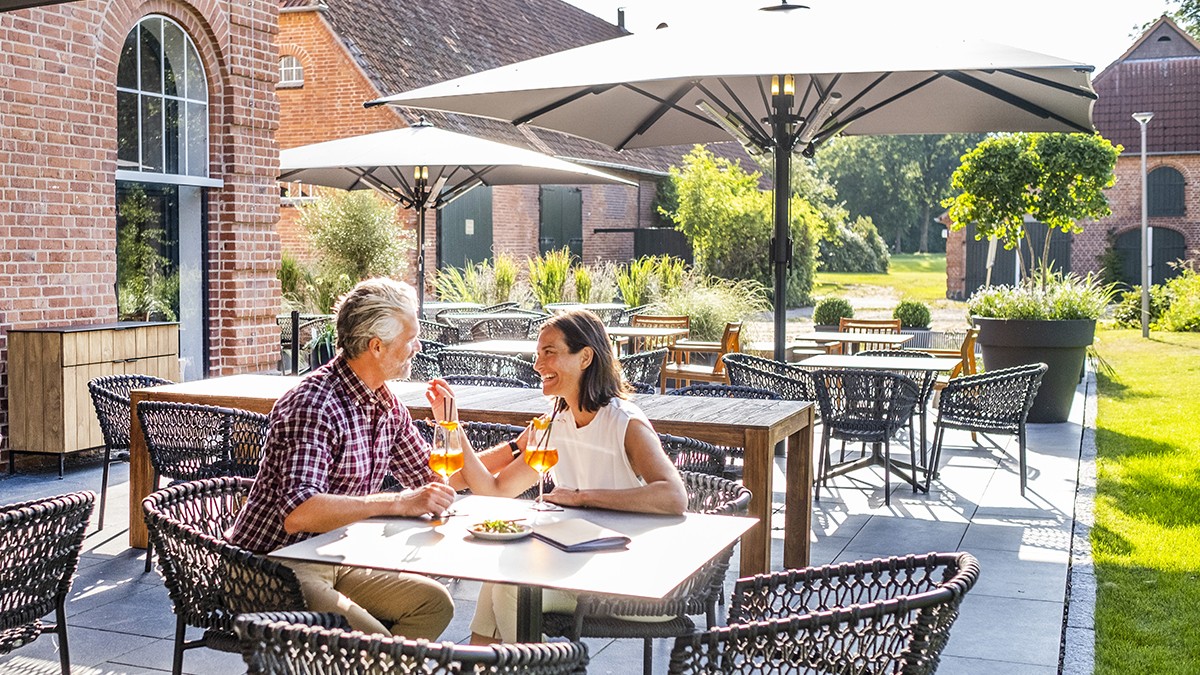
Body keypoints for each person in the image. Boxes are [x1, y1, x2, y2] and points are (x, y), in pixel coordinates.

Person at [226, 277, 461, 639]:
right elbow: (299, 513)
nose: (417, 347)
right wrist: (399, 503)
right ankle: (376, 663)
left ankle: (376, 665)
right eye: (411, 339)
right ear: (376, 346)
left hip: (335, 556)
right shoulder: (314, 404)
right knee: (376, 645)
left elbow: (432, 477)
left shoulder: (385, 403)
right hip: (271, 565)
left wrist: (455, 429)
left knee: (434, 603)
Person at [435, 309, 688, 644]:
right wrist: (452, 425)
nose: (538, 365)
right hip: (585, 567)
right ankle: (487, 665)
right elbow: (495, 489)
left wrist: (582, 497)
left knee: (513, 590)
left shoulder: (624, 422)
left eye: (549, 353)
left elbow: (674, 496)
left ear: (585, 357)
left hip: (639, 581)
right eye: (538, 354)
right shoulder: (556, 421)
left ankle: (537, 665)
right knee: (496, 578)